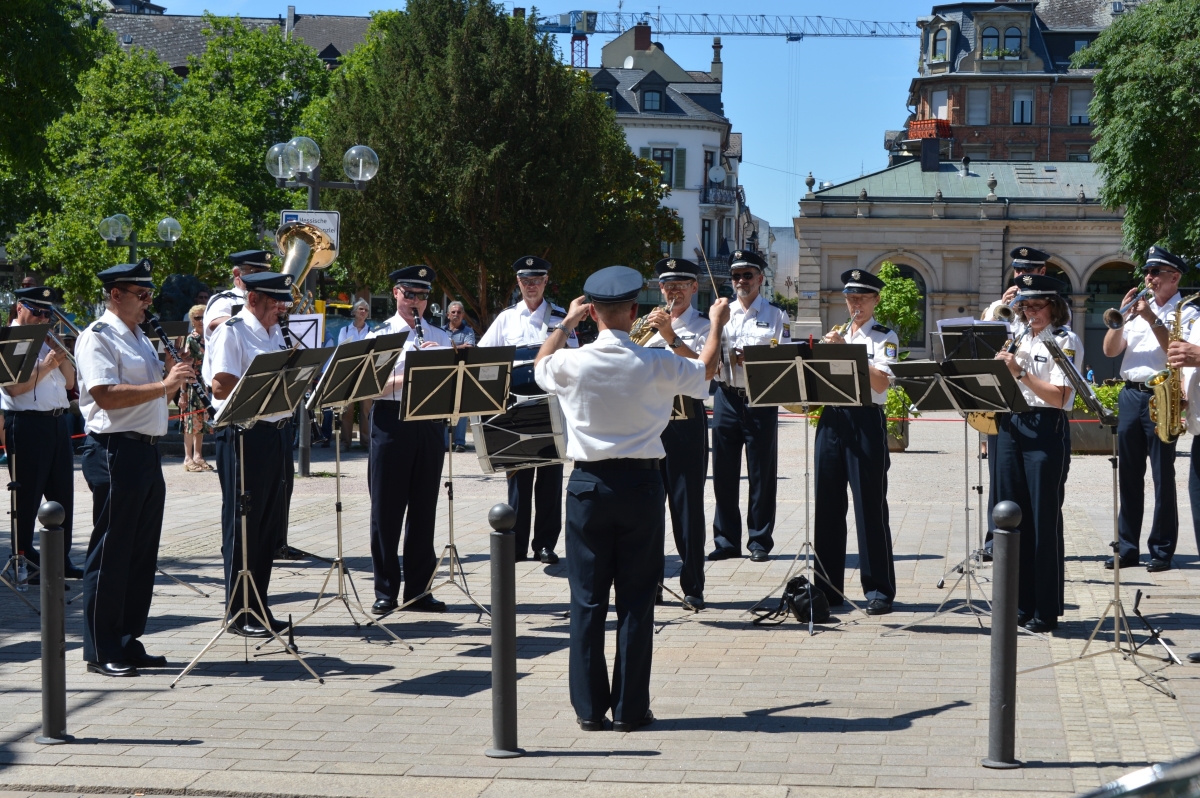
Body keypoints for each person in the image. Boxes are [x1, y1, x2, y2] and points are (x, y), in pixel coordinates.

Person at [533, 265, 729, 733]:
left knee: (586, 601)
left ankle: (588, 709)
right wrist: (716, 325)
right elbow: (705, 373)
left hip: (587, 486)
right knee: (637, 601)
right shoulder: (656, 361)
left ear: (592, 313)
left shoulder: (573, 361)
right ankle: (629, 709)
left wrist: (565, 324)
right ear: (634, 310)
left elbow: (540, 366)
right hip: (642, 486)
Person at [77, 260, 195, 676]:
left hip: (145, 452)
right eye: (141, 295)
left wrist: (174, 382)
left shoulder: (141, 337)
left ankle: (127, 640)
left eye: (149, 295)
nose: (148, 302)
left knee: (140, 555)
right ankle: (101, 648)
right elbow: (106, 395)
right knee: (111, 553)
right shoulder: (98, 336)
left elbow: (153, 398)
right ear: (116, 295)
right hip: (115, 451)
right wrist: (164, 385)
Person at [204, 272, 296, 639]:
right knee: (243, 525)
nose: (281, 309)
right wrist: (271, 384)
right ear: (253, 298)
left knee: (268, 525)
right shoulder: (234, 331)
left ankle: (258, 604)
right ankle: (238, 611)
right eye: (275, 302)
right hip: (243, 435)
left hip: (273, 433)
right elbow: (220, 384)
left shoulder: (274, 332)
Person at [1101, 246, 1198, 573]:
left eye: (1156, 272)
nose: (1149, 278)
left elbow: (1176, 352)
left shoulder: (1188, 312)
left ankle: (1161, 549)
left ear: (1175, 277)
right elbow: (1110, 350)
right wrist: (1121, 317)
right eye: (1147, 272)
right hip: (1131, 393)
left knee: (1162, 475)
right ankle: (1127, 547)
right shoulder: (1136, 309)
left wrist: (1151, 319)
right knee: (1128, 475)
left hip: (1162, 395)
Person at [994, 274, 1081, 633]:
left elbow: (1061, 396)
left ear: (1054, 307)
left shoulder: (1064, 340)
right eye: (1025, 306)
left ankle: (1045, 609)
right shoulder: (1017, 337)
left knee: (1043, 519)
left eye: (1037, 305)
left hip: (1045, 426)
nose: (1030, 312)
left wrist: (1020, 373)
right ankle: (1020, 602)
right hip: (1011, 425)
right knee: (1011, 515)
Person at [478, 256, 578, 563]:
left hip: (551, 408)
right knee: (518, 480)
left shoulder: (561, 318)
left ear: (546, 281)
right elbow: (483, 358)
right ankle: (517, 544)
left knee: (550, 480)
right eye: (525, 281)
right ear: (518, 283)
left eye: (536, 280)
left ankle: (545, 544)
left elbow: (575, 359)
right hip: (515, 410)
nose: (531, 286)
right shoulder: (506, 319)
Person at [812, 269, 899, 615]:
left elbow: (881, 383)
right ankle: (828, 588)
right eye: (850, 298)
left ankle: (879, 589)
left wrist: (848, 351)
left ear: (876, 300)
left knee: (869, 507)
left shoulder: (884, 336)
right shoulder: (837, 333)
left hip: (865, 419)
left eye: (862, 298)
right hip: (831, 419)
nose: (855, 304)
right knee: (827, 508)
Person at [367, 265, 453, 615]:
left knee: (423, 509)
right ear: (396, 294)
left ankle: (419, 590)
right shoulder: (381, 335)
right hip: (392, 421)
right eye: (410, 294)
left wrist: (440, 367)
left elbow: (452, 385)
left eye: (423, 296)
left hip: (429, 423)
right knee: (386, 510)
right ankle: (386, 590)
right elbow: (369, 388)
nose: (416, 301)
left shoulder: (440, 336)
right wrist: (412, 373)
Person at [709, 249, 788, 563]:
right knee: (723, 474)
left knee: (761, 475)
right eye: (736, 276)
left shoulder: (776, 315)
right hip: (726, 396)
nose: (741, 280)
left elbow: (785, 358)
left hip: (760, 399)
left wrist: (754, 360)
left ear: (760, 278)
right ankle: (726, 541)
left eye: (747, 275)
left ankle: (759, 540)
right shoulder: (720, 312)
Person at [641, 258, 711, 609]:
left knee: (687, 508)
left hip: (685, 424)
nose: (674, 291)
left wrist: (670, 335)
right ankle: (649, 583)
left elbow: (702, 367)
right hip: (648, 423)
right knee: (647, 509)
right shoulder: (645, 326)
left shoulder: (704, 325)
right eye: (668, 285)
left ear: (694, 288)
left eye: (682, 285)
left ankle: (693, 585)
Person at [1, 287, 81, 581]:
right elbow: (14, 388)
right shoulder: (9, 340)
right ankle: (24, 561)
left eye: (48, 313)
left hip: (57, 423)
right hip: (27, 423)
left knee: (63, 495)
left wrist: (60, 356)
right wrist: (47, 366)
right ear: (20, 308)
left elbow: (70, 383)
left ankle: (60, 559)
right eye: (37, 312)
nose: (43, 318)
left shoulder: (47, 340)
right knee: (27, 497)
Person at [202, 250, 275, 343]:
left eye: (265, 273)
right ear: (237, 273)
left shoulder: (268, 300)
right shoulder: (224, 299)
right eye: (256, 272)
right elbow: (215, 324)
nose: (263, 277)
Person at [337, 298, 374, 449]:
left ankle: (366, 442)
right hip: (349, 374)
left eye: (366, 310)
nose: (364, 312)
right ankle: (345, 442)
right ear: (354, 312)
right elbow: (342, 351)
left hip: (366, 374)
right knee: (347, 410)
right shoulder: (344, 331)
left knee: (366, 410)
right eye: (361, 309)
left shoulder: (372, 331)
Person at [181, 304, 213, 472]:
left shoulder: (209, 337)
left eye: (203, 317)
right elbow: (185, 365)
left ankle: (198, 455)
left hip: (206, 383)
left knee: (201, 421)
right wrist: (183, 392)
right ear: (192, 320)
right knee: (190, 421)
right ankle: (188, 458)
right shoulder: (191, 339)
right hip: (192, 382)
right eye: (197, 318)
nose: (201, 321)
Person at [442, 300, 475, 453]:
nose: (456, 314)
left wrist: (448, 348)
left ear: (463, 315)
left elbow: (469, 348)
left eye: (459, 312)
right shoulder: (441, 331)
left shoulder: (468, 331)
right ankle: (444, 442)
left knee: (461, 409)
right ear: (448, 315)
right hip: (445, 374)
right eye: (453, 312)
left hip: (462, 373)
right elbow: (437, 350)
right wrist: (458, 347)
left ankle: (460, 442)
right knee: (443, 408)